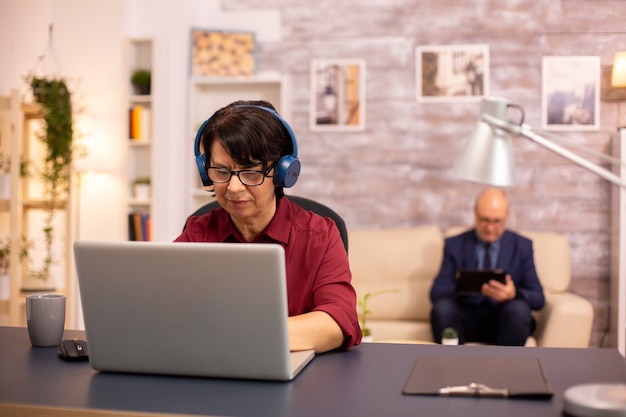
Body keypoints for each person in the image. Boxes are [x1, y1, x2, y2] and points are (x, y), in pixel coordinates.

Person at [175, 100, 362, 353]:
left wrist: (238, 334)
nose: (234, 187)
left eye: (251, 173)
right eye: (221, 171)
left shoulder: (321, 236)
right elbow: (167, 311)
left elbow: (336, 322)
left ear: (283, 172)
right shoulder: (197, 234)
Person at [429, 188, 545, 346]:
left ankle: (505, 369)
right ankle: (453, 366)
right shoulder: (454, 244)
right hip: (465, 319)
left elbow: (538, 298)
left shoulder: (522, 246)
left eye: (497, 221)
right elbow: (435, 293)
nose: (490, 227)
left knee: (518, 309)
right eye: (484, 220)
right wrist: (462, 285)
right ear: (475, 213)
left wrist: (513, 294)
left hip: (504, 321)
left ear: (506, 217)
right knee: (442, 309)